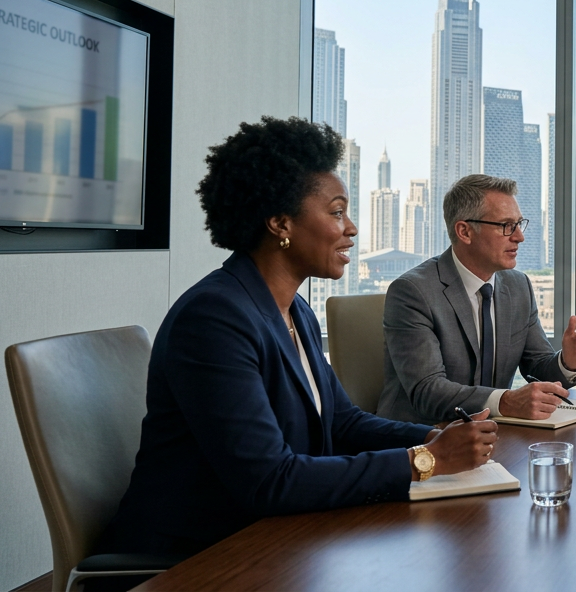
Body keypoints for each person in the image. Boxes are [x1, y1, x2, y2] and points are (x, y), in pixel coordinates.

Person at [99, 117, 498, 557]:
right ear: (280, 223)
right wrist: (426, 461)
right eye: (336, 211)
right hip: (201, 556)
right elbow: (270, 480)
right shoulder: (213, 319)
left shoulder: (294, 310)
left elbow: (343, 422)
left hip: (279, 540)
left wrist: (433, 435)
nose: (352, 228)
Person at [378, 174, 576, 424]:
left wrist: (568, 361)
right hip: (422, 439)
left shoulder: (518, 286)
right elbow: (428, 391)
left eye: (519, 224)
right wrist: (505, 401)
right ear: (465, 231)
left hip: (493, 434)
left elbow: (537, 367)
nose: (519, 237)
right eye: (506, 226)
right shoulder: (413, 292)